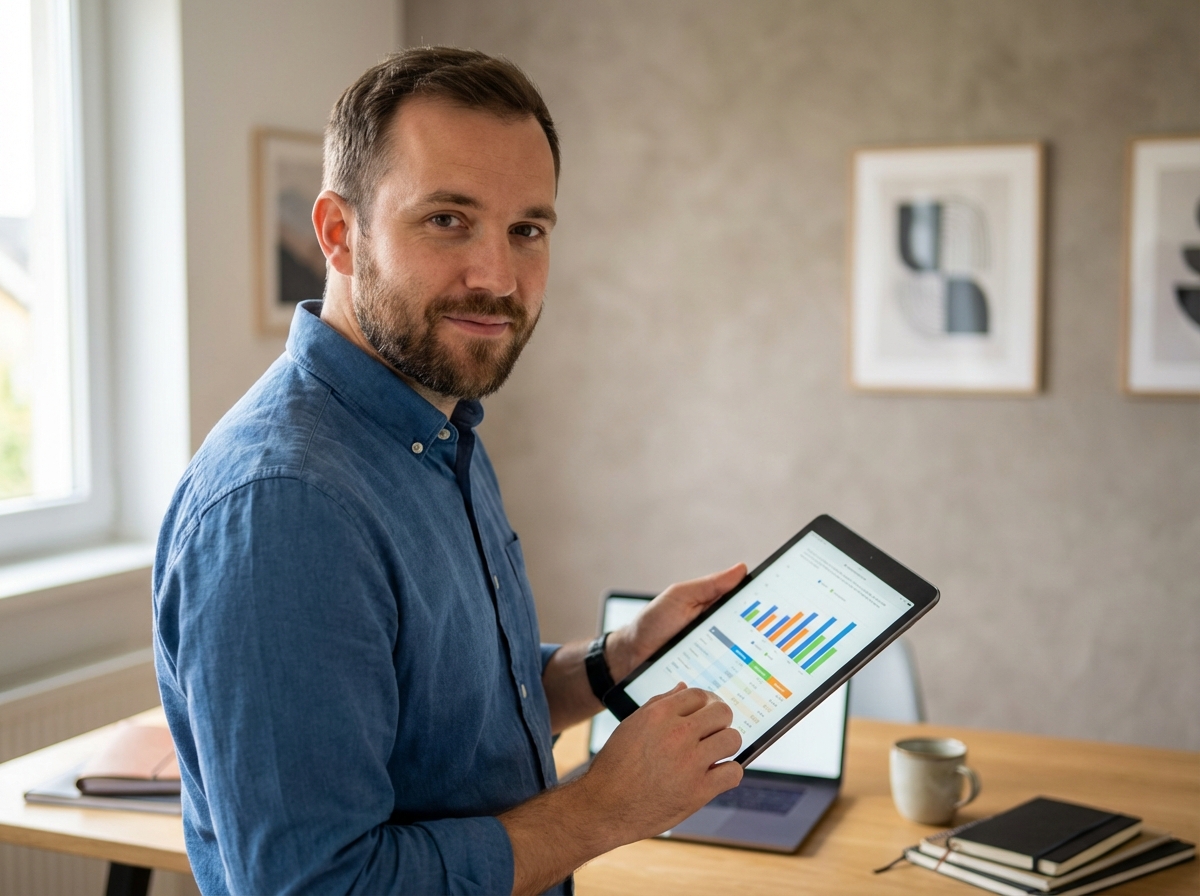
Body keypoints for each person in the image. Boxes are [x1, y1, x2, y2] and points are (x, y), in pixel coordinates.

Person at [153, 47, 745, 896]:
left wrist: (619, 658)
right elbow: (315, 887)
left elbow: (452, 726)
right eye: (446, 220)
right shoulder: (286, 509)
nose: (497, 277)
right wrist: (604, 809)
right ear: (338, 233)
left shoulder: (436, 425)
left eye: (526, 230)